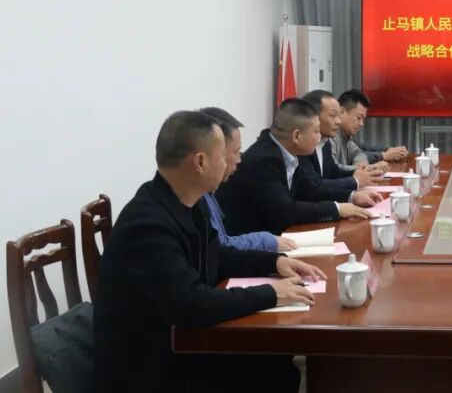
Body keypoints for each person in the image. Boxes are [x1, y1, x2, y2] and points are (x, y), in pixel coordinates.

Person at [94, 110, 326, 393]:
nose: (231, 163)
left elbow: (218, 256)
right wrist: (272, 293)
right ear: (201, 162)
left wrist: (275, 263)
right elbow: (192, 303)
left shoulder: (188, 203)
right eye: (225, 156)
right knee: (271, 371)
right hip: (151, 368)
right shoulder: (147, 224)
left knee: (275, 362)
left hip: (180, 345)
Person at [217, 99, 374, 236]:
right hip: (252, 245)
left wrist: (351, 197)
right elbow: (285, 211)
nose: (319, 137)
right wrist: (338, 209)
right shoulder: (263, 160)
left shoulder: (288, 151)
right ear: (296, 136)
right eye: (316, 131)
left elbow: (309, 189)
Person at [198, 107, 297, 252]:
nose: (239, 160)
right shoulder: (194, 197)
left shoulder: (208, 190)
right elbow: (220, 248)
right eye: (236, 152)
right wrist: (266, 241)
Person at [297, 90, 384, 205]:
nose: (338, 121)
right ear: (313, 117)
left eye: (338, 116)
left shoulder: (324, 142)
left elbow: (333, 172)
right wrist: (355, 181)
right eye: (333, 116)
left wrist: (353, 192)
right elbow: (313, 188)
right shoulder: (302, 146)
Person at [333, 89, 408, 171]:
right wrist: (370, 168)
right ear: (342, 112)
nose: (361, 124)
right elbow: (333, 171)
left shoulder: (347, 139)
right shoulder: (331, 137)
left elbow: (359, 153)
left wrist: (360, 165)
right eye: (359, 118)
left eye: (363, 119)